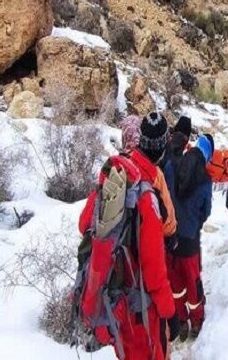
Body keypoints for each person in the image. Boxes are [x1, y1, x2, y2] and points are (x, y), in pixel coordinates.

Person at [77, 112, 175, 360]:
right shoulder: (146, 195)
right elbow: (154, 271)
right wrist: (168, 309)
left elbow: (84, 223)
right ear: (163, 147)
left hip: (115, 301)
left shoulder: (116, 173)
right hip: (139, 307)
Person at [163, 133, 213, 341]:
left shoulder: (172, 166)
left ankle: (181, 320)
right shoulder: (206, 179)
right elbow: (206, 210)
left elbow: (163, 196)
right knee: (193, 282)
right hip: (190, 239)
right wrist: (196, 222)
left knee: (176, 284)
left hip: (171, 238)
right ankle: (197, 320)